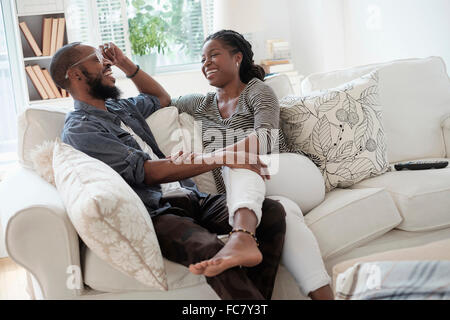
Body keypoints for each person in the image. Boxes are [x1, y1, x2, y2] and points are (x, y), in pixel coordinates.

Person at [50, 42, 287, 300]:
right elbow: (146, 172)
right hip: (158, 212)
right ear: (75, 74)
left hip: (192, 198)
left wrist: (126, 64)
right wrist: (220, 157)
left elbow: (160, 98)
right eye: (97, 60)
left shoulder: (120, 108)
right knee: (208, 247)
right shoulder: (81, 129)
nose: (107, 64)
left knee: (271, 212)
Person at [170, 30, 334, 300]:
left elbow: (264, 138)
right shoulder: (201, 104)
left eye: (214, 55)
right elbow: (161, 99)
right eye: (202, 59)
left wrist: (204, 159)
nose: (206, 63)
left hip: (295, 174)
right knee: (283, 214)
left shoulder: (259, 92)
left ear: (237, 58)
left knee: (236, 161)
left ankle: (242, 237)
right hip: (263, 194)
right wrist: (127, 67)